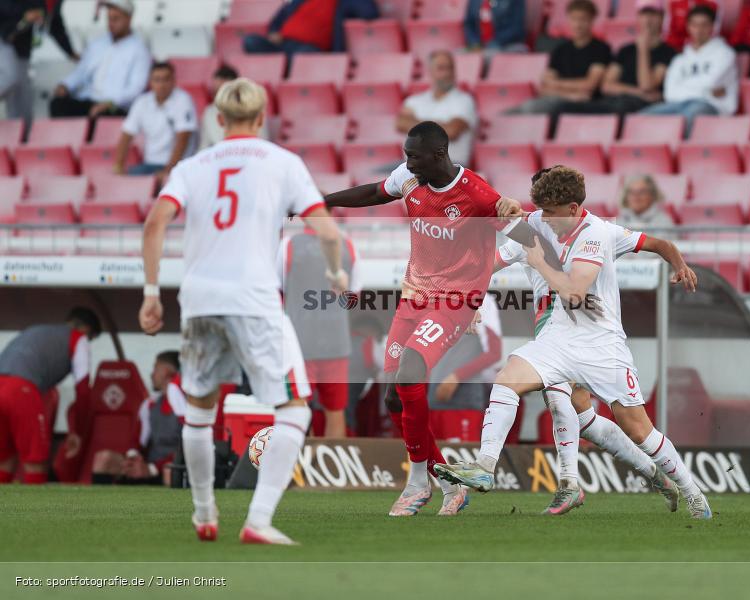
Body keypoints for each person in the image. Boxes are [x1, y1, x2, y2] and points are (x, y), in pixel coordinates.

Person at [435, 165, 714, 519]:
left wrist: (538, 261)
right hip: (557, 338)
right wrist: (469, 298)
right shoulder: (538, 223)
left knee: (639, 430)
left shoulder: (596, 233)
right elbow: (490, 259)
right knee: (507, 381)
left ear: (572, 208)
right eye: (540, 210)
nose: (542, 219)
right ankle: (486, 466)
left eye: (550, 212)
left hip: (601, 345)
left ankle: (691, 492)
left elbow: (574, 289)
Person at [323, 120, 571, 517]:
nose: (406, 162)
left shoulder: (475, 194)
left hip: (456, 301)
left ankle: (417, 483)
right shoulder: (409, 177)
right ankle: (448, 483)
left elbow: (526, 234)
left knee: (410, 373)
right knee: (394, 399)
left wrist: (559, 271)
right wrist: (324, 201)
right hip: (413, 296)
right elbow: (374, 191)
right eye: (406, 155)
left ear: (439, 154)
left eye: (413, 155)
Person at [140, 77, 347, 545]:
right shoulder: (282, 162)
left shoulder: (192, 166)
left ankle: (204, 513)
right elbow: (328, 233)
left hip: (199, 301)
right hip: (254, 299)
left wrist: (151, 292)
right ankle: (257, 521)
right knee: (294, 410)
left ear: (218, 119)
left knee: (198, 408)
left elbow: (156, 223)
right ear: (261, 116)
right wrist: (336, 275)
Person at [279, 217, 361, 438]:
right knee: (335, 411)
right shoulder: (349, 245)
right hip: (336, 341)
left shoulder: (288, 244)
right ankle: (332, 469)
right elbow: (353, 296)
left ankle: (299, 469)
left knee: (297, 410)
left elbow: (278, 289)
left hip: (299, 343)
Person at [0, 307, 102, 484]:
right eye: (91, 338)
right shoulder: (78, 339)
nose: (88, 342)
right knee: (36, 459)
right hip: (21, 390)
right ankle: (37, 511)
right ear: (86, 330)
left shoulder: (34, 330)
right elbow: (83, 389)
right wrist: (77, 431)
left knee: (4, 458)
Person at [558, 0, 676, 118]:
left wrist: (643, 50)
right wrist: (637, 92)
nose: (648, 20)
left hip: (639, 107)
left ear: (662, 18)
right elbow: (606, 86)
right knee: (569, 108)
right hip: (614, 102)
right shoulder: (625, 50)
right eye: (643, 14)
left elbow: (647, 86)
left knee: (617, 107)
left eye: (653, 15)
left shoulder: (668, 52)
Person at [640, 4, 738, 135]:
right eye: (695, 25)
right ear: (688, 26)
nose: (699, 30)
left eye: (704, 25)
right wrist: (707, 92)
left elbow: (711, 82)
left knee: (688, 115)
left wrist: (687, 87)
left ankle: (679, 153)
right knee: (641, 118)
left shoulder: (725, 54)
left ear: (712, 26)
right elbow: (670, 93)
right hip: (679, 105)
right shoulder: (679, 59)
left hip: (713, 106)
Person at [92, 351, 185, 485]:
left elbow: (187, 448)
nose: (152, 374)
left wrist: (152, 469)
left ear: (166, 371)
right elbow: (137, 441)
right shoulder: (149, 405)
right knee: (103, 458)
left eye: (155, 368)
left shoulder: (186, 406)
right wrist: (132, 458)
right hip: (146, 466)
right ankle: (97, 504)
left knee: (170, 470)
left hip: (168, 468)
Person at [507, 0, 611, 119]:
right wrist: (571, 94)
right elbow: (544, 88)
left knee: (529, 108)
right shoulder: (560, 50)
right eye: (574, 19)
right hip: (561, 100)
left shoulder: (601, 49)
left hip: (581, 106)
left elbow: (589, 86)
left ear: (592, 20)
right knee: (506, 115)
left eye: (582, 19)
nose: (577, 24)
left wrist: (556, 85)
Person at [50, 0, 151, 118]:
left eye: (116, 19)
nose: (111, 24)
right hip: (89, 100)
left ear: (128, 19)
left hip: (114, 106)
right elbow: (81, 71)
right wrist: (65, 85)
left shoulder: (139, 50)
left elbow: (135, 89)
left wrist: (109, 103)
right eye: (109, 19)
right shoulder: (98, 44)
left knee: (102, 113)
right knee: (57, 104)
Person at [114, 61, 197, 183]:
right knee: (120, 180)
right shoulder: (142, 102)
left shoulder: (183, 100)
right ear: (150, 82)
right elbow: (126, 135)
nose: (161, 84)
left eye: (166, 79)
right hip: (149, 164)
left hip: (179, 166)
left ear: (174, 81)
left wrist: (168, 171)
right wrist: (118, 165)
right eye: (157, 80)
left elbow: (183, 139)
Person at [396, 51, 478, 166]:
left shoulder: (465, 100)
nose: (447, 73)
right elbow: (401, 123)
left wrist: (416, 125)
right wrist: (439, 126)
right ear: (430, 71)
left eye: (450, 68)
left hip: (449, 166)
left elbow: (451, 131)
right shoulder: (414, 100)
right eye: (441, 68)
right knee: (377, 177)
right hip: (413, 165)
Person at [0, 0, 77, 120]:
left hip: (21, 47)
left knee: (23, 97)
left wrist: (71, 52)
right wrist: (24, 17)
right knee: (10, 77)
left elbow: (55, 24)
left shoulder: (54, 3)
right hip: (4, 37)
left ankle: (24, 135)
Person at [427, 293, 502, 413]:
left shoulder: (483, 300)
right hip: (433, 396)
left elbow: (494, 353)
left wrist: (455, 377)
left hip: (464, 396)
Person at [242, 0, 378, 57]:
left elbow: (369, 13)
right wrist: (274, 32)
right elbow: (280, 17)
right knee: (250, 41)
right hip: (282, 45)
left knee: (303, 57)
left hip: (309, 49)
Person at [199, 65, 271, 150]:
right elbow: (203, 147)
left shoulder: (254, 109)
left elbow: (263, 143)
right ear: (220, 119)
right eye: (215, 93)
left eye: (224, 93)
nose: (218, 98)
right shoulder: (209, 112)